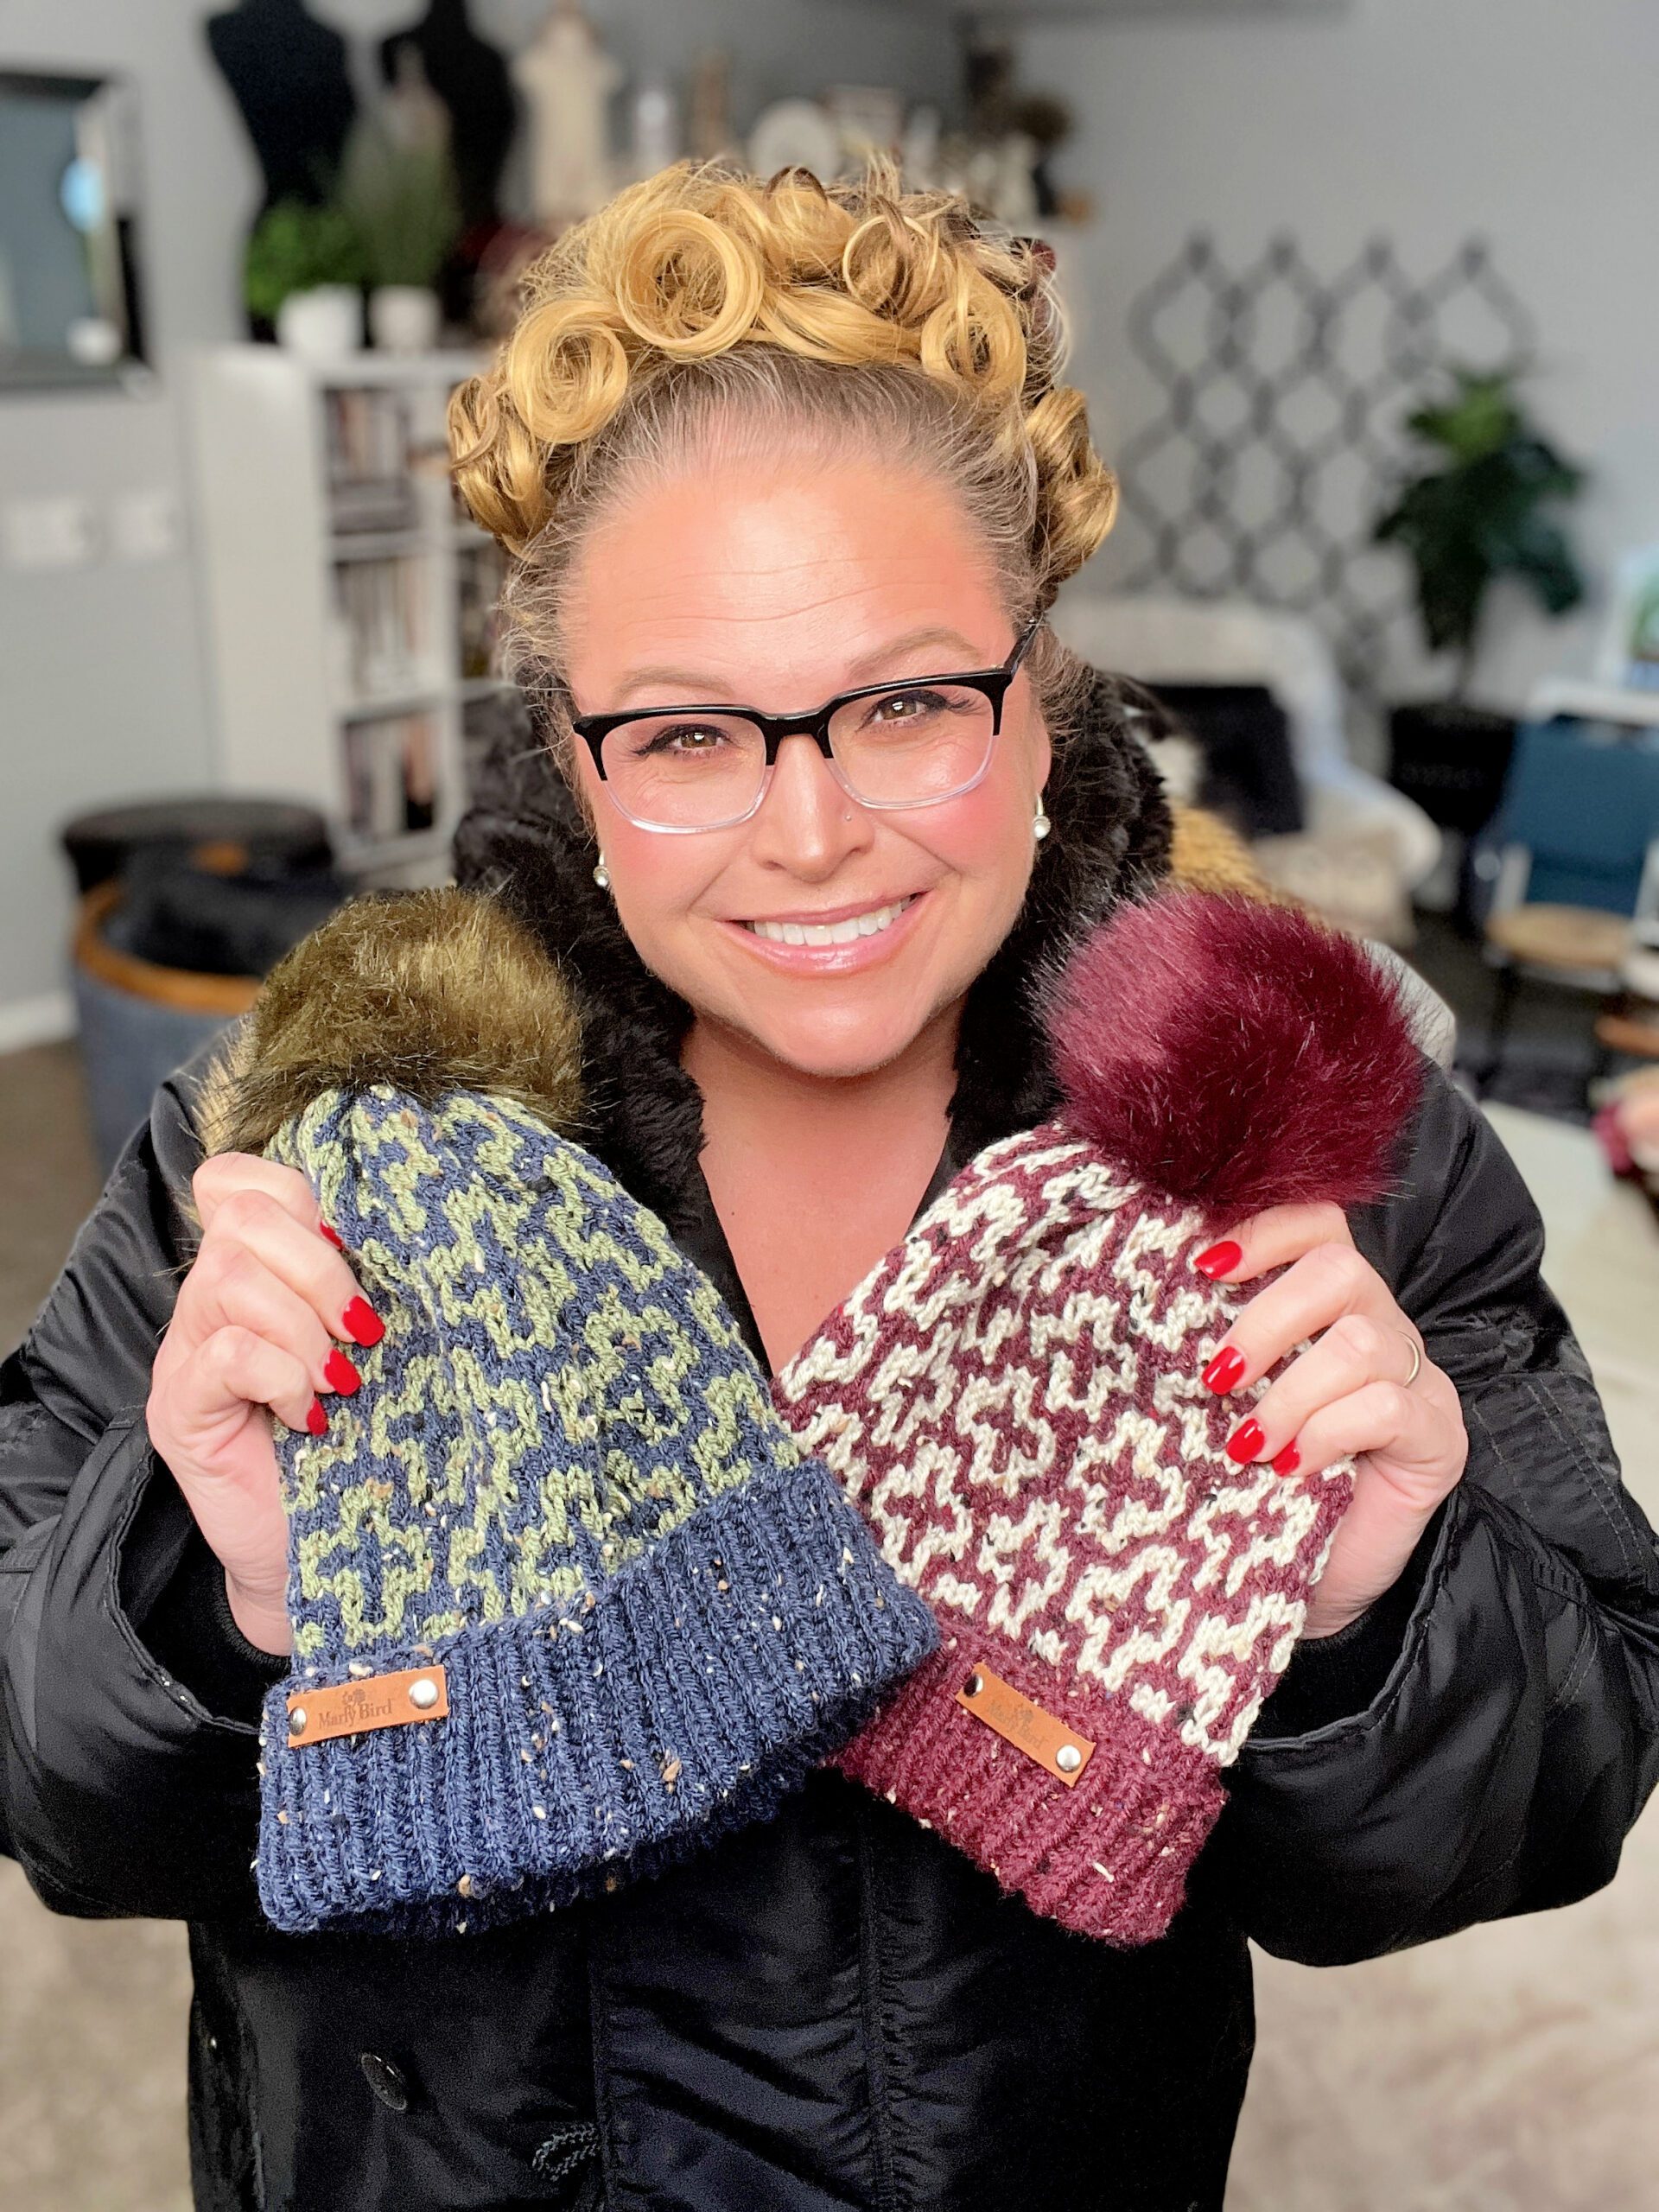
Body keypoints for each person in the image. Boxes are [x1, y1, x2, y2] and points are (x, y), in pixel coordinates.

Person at [3, 162, 1656, 2212]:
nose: (811, 834)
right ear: (582, 761)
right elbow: (49, 1783)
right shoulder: (314, 1136)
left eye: (901, 705)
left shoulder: (1305, 1132)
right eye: (692, 732)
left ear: (1038, 700)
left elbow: (1560, 1786)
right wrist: (221, 1592)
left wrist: (1370, 1607)